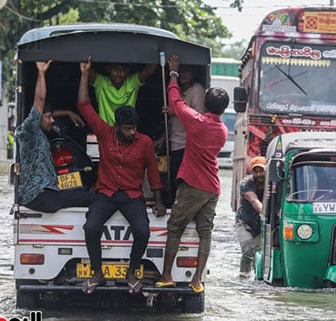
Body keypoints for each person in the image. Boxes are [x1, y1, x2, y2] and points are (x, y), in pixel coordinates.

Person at [78, 57, 167, 295]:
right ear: (117, 126)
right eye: (127, 129)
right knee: (90, 227)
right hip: (105, 193)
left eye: (133, 128)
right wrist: (85, 74)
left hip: (131, 195)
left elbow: (153, 172)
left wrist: (159, 201)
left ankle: (131, 271)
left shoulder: (145, 142)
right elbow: (84, 106)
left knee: (143, 231)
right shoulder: (105, 133)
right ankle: (97, 271)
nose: (131, 132)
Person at [155, 55, 229, 293]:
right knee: (205, 231)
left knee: (175, 226)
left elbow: (175, 101)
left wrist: (173, 74)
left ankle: (167, 275)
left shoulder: (197, 122)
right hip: (213, 187)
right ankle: (197, 280)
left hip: (193, 184)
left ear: (205, 104)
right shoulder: (222, 130)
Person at [15, 61, 96, 213]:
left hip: (43, 195)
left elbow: (45, 113)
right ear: (37, 117)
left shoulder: (29, 131)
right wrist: (41, 73)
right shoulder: (30, 130)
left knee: (81, 195)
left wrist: (67, 113)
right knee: (94, 199)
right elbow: (39, 101)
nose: (52, 120)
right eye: (49, 117)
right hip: (41, 196)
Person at [156, 65, 205, 205]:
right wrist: (161, 139)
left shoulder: (197, 90)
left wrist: (176, 111)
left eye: (187, 71)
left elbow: (199, 117)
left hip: (187, 145)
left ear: (194, 73)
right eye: (180, 71)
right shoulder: (178, 93)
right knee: (172, 180)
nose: (183, 74)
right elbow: (171, 123)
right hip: (175, 144)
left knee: (181, 183)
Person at [88, 60, 157, 126]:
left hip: (126, 131)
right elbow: (86, 68)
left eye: (123, 69)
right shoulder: (101, 83)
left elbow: (149, 70)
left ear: (128, 70)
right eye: (115, 68)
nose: (119, 73)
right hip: (105, 131)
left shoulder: (132, 83)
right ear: (108, 69)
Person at [235, 156, 266, 278]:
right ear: (251, 172)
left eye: (261, 170)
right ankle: (243, 277)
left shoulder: (273, 183)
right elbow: (253, 200)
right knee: (247, 250)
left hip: (261, 226)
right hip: (244, 223)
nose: (259, 174)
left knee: (259, 254)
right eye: (255, 171)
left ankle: (256, 278)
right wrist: (263, 212)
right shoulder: (245, 184)